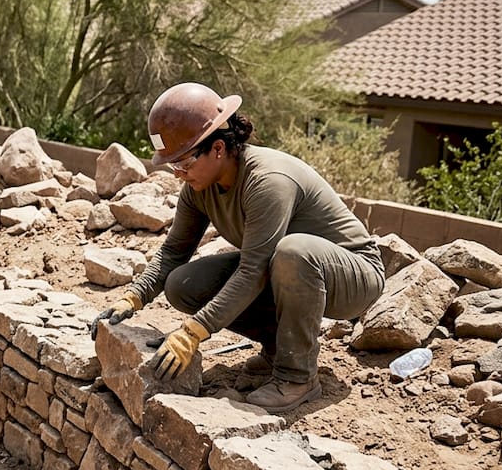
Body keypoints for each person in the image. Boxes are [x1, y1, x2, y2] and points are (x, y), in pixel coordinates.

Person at [91, 82, 384, 412]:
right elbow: (174, 251)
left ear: (217, 149)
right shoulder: (199, 186)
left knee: (293, 252)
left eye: (184, 164)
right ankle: (279, 348)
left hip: (353, 276)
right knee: (183, 285)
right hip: (284, 271)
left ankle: (296, 376)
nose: (178, 175)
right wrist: (133, 296)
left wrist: (192, 332)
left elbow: (253, 269)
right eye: (172, 166)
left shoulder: (267, 181)